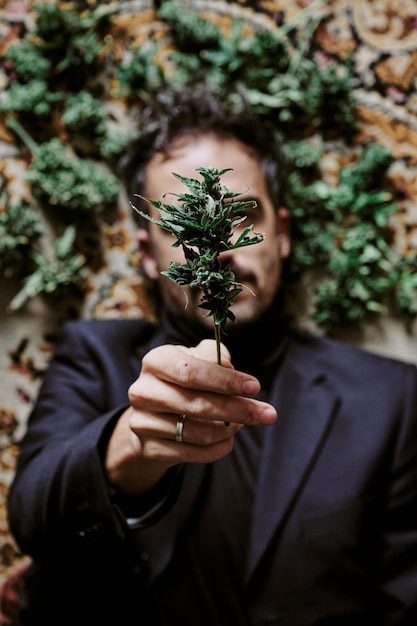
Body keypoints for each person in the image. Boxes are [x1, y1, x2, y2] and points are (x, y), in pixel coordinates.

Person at [7, 88, 417, 626]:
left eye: (241, 216)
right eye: (185, 225)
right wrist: (129, 445)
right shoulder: (94, 353)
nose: (218, 247)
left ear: (284, 234)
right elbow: (33, 519)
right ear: (147, 251)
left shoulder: (391, 397)